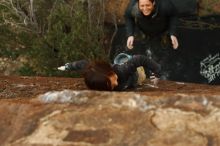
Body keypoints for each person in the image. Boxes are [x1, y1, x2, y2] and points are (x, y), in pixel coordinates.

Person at [58, 54, 161, 91]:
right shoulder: (98, 82)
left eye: (114, 79)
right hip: (125, 78)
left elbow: (140, 59)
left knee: (140, 76)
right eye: (112, 85)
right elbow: (82, 65)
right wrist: (68, 67)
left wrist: (156, 72)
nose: (116, 83)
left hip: (133, 75)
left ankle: (124, 58)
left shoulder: (122, 71)